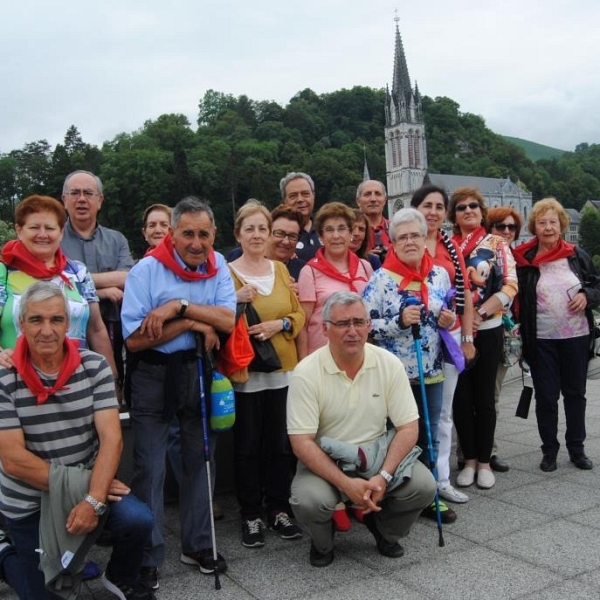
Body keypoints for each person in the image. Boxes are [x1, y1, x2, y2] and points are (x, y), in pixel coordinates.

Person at [0, 282, 154, 600]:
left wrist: (93, 501)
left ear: (68, 324)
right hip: (31, 500)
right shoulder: (5, 377)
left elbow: (112, 440)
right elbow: (13, 459)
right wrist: (89, 486)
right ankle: (4, 553)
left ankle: (120, 577)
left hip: (87, 487)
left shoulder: (93, 366)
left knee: (139, 520)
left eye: (56, 319)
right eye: (36, 320)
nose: (47, 330)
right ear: (20, 323)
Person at [121, 197, 236, 590]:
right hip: (152, 374)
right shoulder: (145, 270)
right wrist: (191, 320)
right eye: (187, 233)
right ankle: (148, 556)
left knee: (200, 461)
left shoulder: (218, 265)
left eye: (204, 234)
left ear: (214, 234)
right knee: (149, 468)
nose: (196, 242)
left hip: (196, 370)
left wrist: (177, 307)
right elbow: (136, 339)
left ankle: (199, 545)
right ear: (171, 234)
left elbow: (226, 319)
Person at [287, 291, 436, 567]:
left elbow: (408, 427)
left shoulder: (389, 364)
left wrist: (384, 475)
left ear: (369, 325)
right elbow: (302, 443)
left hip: (376, 454)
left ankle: (383, 529)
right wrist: (346, 484)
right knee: (308, 500)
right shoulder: (306, 372)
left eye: (359, 322)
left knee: (424, 486)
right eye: (343, 324)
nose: (352, 331)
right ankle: (323, 541)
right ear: (325, 328)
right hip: (326, 458)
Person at [362, 208, 456, 522]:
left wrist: (448, 318)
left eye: (415, 235)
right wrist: (399, 321)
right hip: (396, 375)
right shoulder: (380, 280)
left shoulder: (438, 274)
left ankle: (428, 493)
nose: (410, 241)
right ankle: (396, 492)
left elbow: (446, 311)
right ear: (392, 243)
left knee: (430, 433)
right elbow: (365, 327)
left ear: (424, 237)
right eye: (402, 237)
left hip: (431, 368)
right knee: (399, 435)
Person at [227, 200, 306, 548]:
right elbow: (215, 315)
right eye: (250, 229)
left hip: (282, 372)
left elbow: (299, 313)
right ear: (238, 234)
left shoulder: (281, 270)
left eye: (262, 228)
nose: (257, 235)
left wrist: (282, 323)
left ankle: (278, 508)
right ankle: (250, 513)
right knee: (246, 447)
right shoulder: (226, 273)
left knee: (279, 444)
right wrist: (236, 300)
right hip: (245, 373)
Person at [514, 198, 600, 472]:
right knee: (547, 396)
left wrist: (587, 295)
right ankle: (549, 450)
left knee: (575, 394)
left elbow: (596, 285)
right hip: (541, 339)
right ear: (534, 227)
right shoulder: (524, 258)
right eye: (542, 222)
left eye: (553, 222)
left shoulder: (576, 255)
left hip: (576, 336)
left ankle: (577, 448)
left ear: (561, 224)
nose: (548, 227)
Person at [0, 195, 117, 379]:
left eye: (50, 228)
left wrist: (111, 378)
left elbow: (96, 329)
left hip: (77, 381)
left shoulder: (78, 272)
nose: (42, 234)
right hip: (16, 381)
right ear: (19, 230)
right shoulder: (4, 272)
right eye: (34, 227)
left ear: (61, 232)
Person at [410, 185, 475, 510]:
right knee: (415, 418)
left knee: (443, 414)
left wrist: (467, 338)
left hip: (447, 343)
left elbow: (464, 296)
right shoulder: (409, 245)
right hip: (416, 346)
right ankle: (416, 484)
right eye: (427, 205)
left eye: (439, 206)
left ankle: (442, 480)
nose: (433, 211)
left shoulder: (452, 248)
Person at [448, 187, 517, 490]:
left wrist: (481, 315)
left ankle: (486, 461)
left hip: (488, 330)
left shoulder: (496, 242)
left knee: (485, 399)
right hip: (453, 333)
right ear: (454, 214)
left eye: (473, 205)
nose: (468, 210)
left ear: (482, 210)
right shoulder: (447, 244)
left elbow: (511, 285)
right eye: (461, 207)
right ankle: (470, 459)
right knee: (461, 400)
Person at [60, 170, 134, 393]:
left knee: (110, 390)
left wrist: (78, 281)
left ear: (99, 201)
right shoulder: (53, 239)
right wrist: (101, 291)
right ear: (64, 200)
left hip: (114, 326)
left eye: (88, 193)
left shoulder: (116, 239)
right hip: (68, 331)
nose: (81, 199)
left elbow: (127, 277)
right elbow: (51, 282)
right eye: (74, 193)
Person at [297, 202, 374, 359]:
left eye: (341, 228)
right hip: (322, 355)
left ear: (350, 233)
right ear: (321, 236)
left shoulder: (365, 267)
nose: (336, 236)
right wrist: (303, 364)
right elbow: (302, 325)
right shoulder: (309, 271)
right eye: (329, 230)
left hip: (359, 354)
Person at [485, 205, 524, 472]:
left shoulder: (518, 257)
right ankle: (475, 451)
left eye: (512, 227)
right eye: (501, 227)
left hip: (508, 334)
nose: (507, 232)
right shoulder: (485, 256)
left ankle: (490, 449)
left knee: (494, 395)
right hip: (485, 328)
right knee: (481, 395)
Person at [280, 172, 321, 261]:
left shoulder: (326, 229)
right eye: (293, 196)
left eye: (305, 194)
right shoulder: (277, 235)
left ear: (313, 196)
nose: (300, 199)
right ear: (284, 201)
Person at [356, 180, 391, 258]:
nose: (373, 199)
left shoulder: (396, 229)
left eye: (378, 194)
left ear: (385, 200)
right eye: (367, 194)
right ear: (358, 201)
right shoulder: (350, 231)